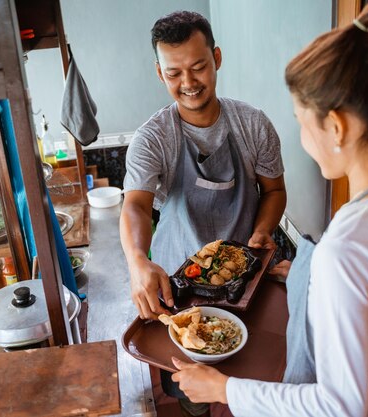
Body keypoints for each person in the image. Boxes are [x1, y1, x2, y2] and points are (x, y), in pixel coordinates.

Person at [169, 2, 368, 416]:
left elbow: (339, 406)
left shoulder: (344, 250)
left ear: (336, 127)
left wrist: (225, 389)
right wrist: (310, 281)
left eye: (301, 120)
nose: (302, 138)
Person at [120, 11, 286, 321]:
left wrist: (263, 231)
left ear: (217, 58)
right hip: (176, 285)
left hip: (242, 278)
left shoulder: (253, 125)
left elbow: (274, 190)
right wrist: (137, 260)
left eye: (198, 67)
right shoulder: (152, 138)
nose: (188, 83)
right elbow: (136, 207)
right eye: (174, 74)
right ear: (159, 73)